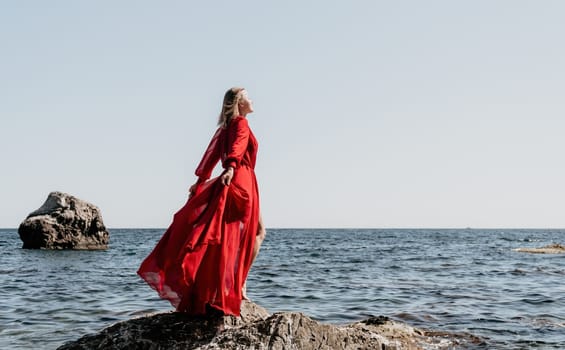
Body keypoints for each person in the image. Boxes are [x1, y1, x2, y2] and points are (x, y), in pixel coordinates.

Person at [137, 87, 266, 317]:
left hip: (232, 178)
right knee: (251, 233)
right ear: (239, 102)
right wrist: (232, 167)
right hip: (241, 179)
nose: (252, 99)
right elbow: (237, 147)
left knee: (225, 236)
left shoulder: (225, 128)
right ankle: (239, 284)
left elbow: (211, 155)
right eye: (248, 96)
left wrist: (201, 180)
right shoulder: (241, 124)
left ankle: (229, 286)